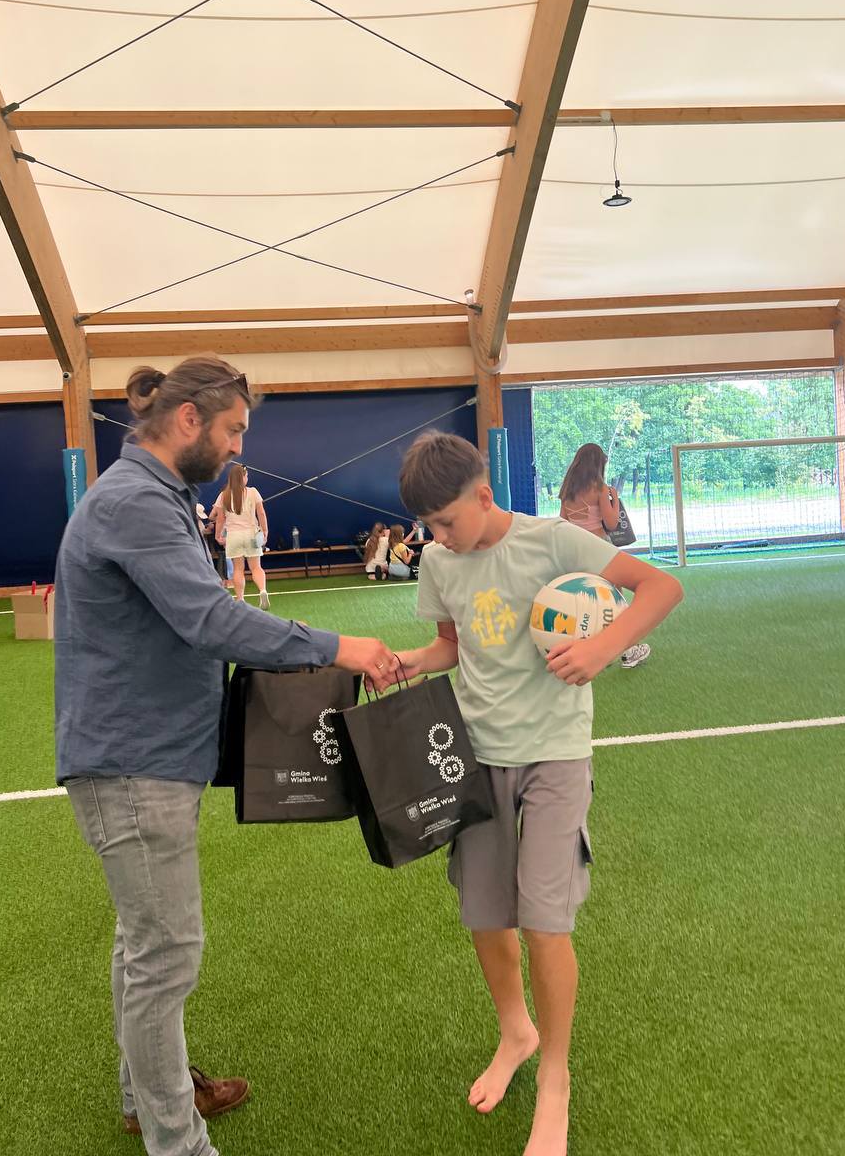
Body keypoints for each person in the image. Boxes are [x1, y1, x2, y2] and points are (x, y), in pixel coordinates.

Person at [54, 356, 398, 1156]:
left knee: (144, 944)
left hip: (147, 759)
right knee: (165, 954)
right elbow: (210, 620)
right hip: (131, 766)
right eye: (235, 429)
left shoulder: (156, 496)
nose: (241, 445)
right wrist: (339, 646)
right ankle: (178, 1141)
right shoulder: (136, 501)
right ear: (189, 420)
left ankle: (148, 1097)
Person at [385, 432, 682, 1156]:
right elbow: (453, 645)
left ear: (485, 495)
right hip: (476, 756)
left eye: (447, 520)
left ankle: (555, 1075)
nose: (438, 536)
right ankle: (515, 1032)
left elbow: (661, 588)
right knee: (487, 913)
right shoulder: (438, 561)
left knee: (546, 921)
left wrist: (602, 647)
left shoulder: (553, 541)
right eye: (428, 526)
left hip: (555, 754)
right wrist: (412, 662)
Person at [559, 443, 650, 670]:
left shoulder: (567, 490)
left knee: (585, 601)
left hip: (575, 550)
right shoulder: (600, 489)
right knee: (616, 599)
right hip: (600, 548)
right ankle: (629, 651)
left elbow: (562, 522)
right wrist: (614, 498)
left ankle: (584, 649)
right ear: (599, 464)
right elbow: (611, 522)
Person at [212, 463, 270, 609]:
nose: (247, 478)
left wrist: (218, 535)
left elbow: (220, 519)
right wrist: (264, 531)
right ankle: (262, 590)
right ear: (243, 477)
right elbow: (261, 513)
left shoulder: (223, 495)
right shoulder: (253, 492)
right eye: (247, 475)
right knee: (256, 568)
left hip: (233, 536)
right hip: (252, 534)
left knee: (238, 569)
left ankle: (240, 599)